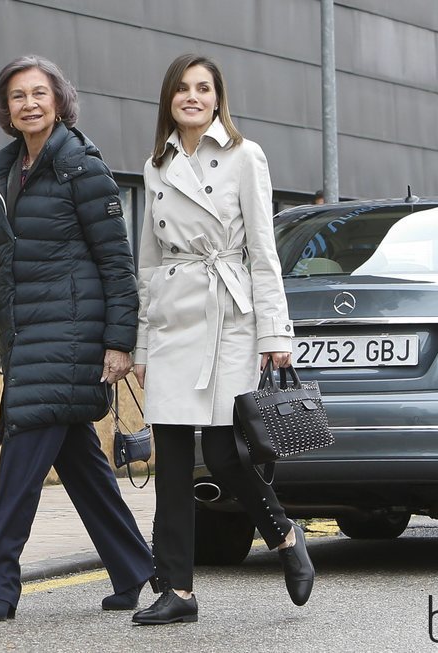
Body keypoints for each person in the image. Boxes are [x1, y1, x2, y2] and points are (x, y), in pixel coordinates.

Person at [0, 54, 154, 623]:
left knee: (20, 468)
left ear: (58, 101)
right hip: (29, 343)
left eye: (39, 93)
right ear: (5, 111)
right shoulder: (8, 175)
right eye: (17, 97)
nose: (29, 104)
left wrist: (119, 342)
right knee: (82, 465)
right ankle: (136, 568)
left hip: (71, 343)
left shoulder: (83, 169)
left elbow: (116, 264)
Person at [131, 54, 315, 625]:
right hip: (171, 318)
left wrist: (275, 332)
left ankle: (284, 534)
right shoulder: (155, 166)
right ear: (169, 99)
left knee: (223, 453)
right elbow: (148, 260)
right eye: (182, 88)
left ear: (217, 98)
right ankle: (178, 589)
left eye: (203, 88)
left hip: (228, 315)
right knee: (173, 459)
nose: (192, 97)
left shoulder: (244, 154)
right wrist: (140, 344)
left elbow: (263, 250)